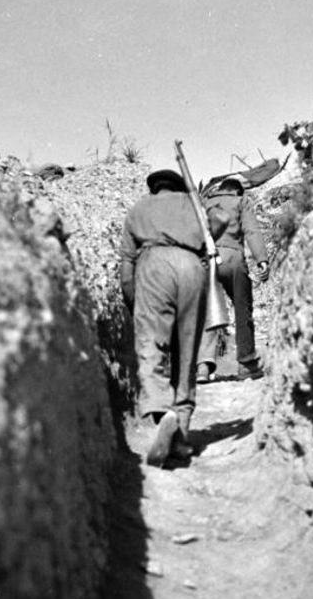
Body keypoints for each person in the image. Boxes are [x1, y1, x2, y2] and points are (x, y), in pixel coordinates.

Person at [119, 169, 228, 466]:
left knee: (150, 347)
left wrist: (133, 300)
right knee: (187, 349)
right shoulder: (192, 203)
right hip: (193, 266)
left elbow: (127, 264)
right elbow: (223, 220)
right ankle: (180, 428)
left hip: (154, 267)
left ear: (155, 189)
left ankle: (161, 409)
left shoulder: (139, 209)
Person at [199, 176, 270, 380]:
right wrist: (261, 259)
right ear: (238, 191)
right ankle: (246, 363)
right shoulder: (241, 201)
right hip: (232, 258)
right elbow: (251, 230)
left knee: (207, 310)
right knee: (242, 307)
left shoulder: (205, 202)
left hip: (206, 260)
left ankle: (203, 365)